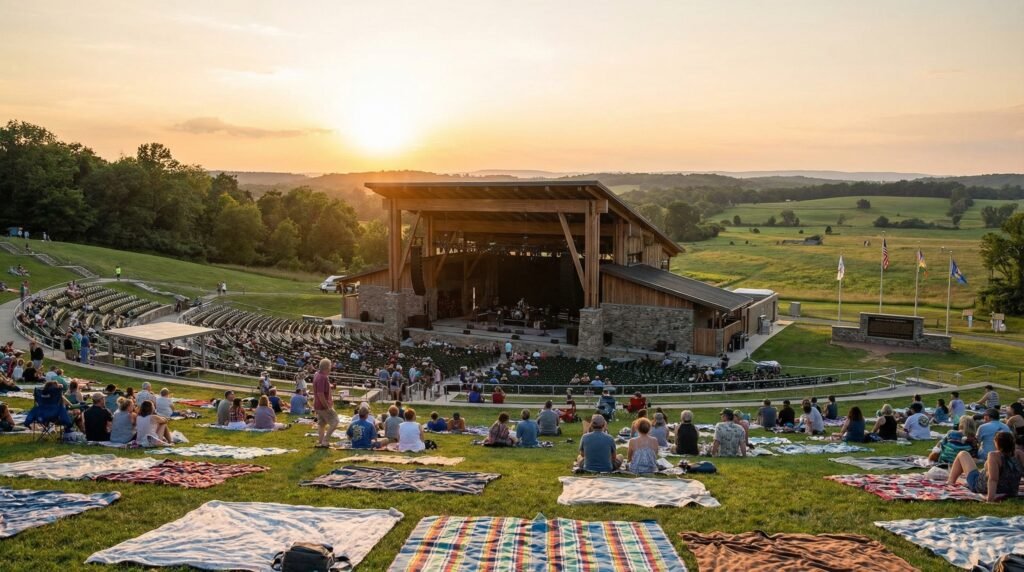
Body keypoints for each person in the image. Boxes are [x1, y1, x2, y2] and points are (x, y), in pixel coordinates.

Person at [947, 432, 1024, 502]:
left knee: (963, 454)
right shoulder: (1019, 454)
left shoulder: (994, 456)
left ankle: (950, 482)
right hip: (1011, 490)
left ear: (997, 443)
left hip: (980, 486)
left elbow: (993, 479)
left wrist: (990, 499)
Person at [313, 358, 338, 448]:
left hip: (317, 405)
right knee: (335, 421)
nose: (331, 368)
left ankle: (321, 441)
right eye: (330, 366)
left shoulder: (317, 375)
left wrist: (331, 386)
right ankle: (325, 440)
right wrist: (327, 406)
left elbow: (321, 389)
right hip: (322, 405)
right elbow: (320, 393)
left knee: (322, 423)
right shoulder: (322, 377)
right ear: (327, 367)